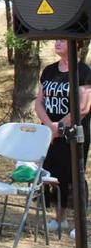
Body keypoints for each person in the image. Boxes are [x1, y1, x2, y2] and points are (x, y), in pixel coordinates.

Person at [34, 39, 91, 233]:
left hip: (73, 134)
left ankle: (79, 224)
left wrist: (57, 127)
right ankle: (60, 219)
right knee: (55, 175)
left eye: (62, 40)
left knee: (74, 175)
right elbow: (39, 103)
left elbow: (83, 108)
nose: (57, 43)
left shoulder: (83, 72)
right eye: (56, 39)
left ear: (76, 44)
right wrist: (49, 127)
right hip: (49, 133)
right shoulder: (49, 70)